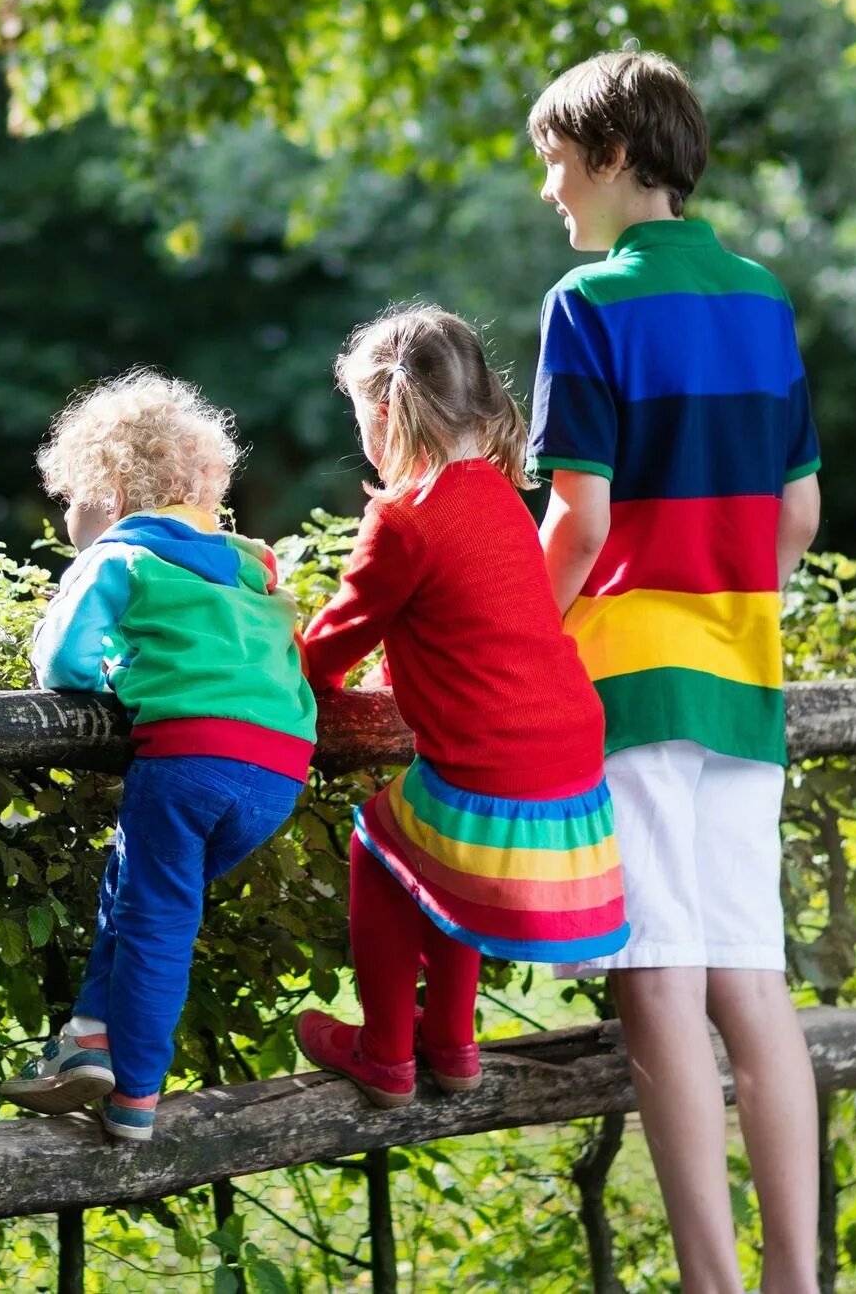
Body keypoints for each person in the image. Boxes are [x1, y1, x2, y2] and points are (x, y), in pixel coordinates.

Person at [528, 49, 825, 1294]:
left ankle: (711, 1283)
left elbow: (579, 521)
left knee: (660, 981)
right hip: (745, 677)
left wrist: (524, 637)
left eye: (553, 161)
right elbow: (800, 511)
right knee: (751, 983)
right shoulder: (761, 297)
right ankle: (797, 1279)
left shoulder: (585, 305)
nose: (548, 191)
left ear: (608, 157)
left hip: (632, 685)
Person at [294, 302, 629, 1108]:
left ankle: (384, 1051)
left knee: (380, 846)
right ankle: (451, 1044)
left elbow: (336, 638)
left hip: (495, 762)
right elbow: (462, 626)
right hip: (573, 756)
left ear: (383, 415)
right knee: (443, 859)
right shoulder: (502, 500)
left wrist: (290, 679)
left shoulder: (404, 518)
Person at [0, 370, 317, 1142]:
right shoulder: (254, 563)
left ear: (107, 492)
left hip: (188, 761)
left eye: (71, 497)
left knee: (153, 922)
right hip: (278, 772)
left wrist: (109, 671)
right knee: (140, 898)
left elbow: (63, 661)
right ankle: (88, 1042)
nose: (69, 514)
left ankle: (133, 1097)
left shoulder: (120, 555)